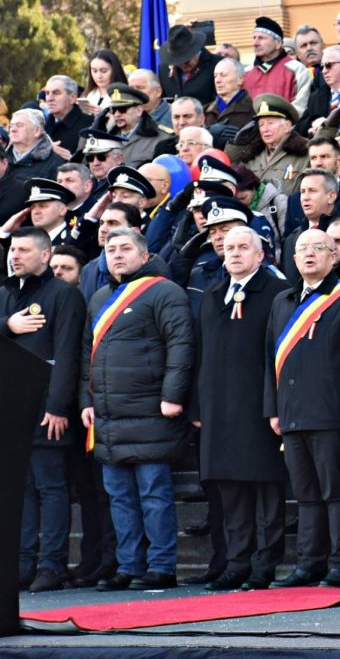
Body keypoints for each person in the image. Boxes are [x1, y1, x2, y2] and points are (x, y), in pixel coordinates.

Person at [80, 227, 194, 591]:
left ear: (144, 256)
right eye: (110, 249)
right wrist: (86, 401)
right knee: (120, 498)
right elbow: (87, 355)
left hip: (151, 411)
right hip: (108, 417)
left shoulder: (164, 291)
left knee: (154, 495)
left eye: (125, 248)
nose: (116, 254)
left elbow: (180, 345)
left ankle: (161, 565)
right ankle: (129, 566)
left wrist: (173, 395)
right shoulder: (99, 298)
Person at [194, 225, 290, 591]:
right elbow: (200, 353)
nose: (234, 253)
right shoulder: (212, 294)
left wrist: (276, 404)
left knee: (266, 490)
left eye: (243, 247)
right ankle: (237, 562)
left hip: (260, 406)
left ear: (260, 255)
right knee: (230, 491)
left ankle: (265, 564)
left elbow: (280, 354)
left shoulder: (278, 292)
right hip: (219, 409)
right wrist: (197, 406)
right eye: (229, 247)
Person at [266, 228, 340, 589]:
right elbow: (269, 359)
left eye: (318, 248)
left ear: (333, 256)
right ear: (293, 259)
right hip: (291, 412)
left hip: (331, 412)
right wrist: (273, 408)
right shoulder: (283, 300)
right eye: (302, 249)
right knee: (305, 495)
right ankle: (309, 563)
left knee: (336, 491)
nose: (309, 254)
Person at [5, 228, 85, 593]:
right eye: (13, 249)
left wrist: (57, 405)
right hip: (12, 408)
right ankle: (23, 564)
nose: (15, 255)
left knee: (50, 487)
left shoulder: (63, 294)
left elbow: (67, 354)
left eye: (23, 250)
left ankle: (52, 564)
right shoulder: (6, 293)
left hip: (45, 408)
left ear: (45, 255)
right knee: (20, 489)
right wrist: (7, 325)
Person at [228, 94, 309, 196]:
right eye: (261, 124)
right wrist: (237, 145)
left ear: (287, 126)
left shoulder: (305, 152)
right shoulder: (252, 154)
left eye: (270, 123)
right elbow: (230, 174)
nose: (265, 129)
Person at [243, 16, 313, 114]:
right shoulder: (245, 73)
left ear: (278, 43)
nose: (255, 43)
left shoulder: (297, 69)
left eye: (261, 38)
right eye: (254, 38)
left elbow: (300, 107)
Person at [158, 24, 221, 106]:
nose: (182, 65)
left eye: (186, 61)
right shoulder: (164, 69)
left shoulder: (217, 65)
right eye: (177, 62)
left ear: (195, 50)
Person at [205, 58, 254, 147]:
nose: (217, 80)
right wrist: (208, 131)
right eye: (215, 76)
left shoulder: (253, 109)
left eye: (223, 75)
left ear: (240, 79)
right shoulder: (205, 110)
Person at [7, 108, 63, 183]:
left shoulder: (54, 164)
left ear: (37, 130)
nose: (13, 129)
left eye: (19, 125)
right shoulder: (3, 159)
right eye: (11, 126)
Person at [43, 75, 90, 155]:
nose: (49, 98)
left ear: (72, 97)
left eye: (56, 93)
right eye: (47, 93)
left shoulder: (89, 125)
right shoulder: (42, 125)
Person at [81, 49, 127, 114]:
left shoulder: (125, 96)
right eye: (94, 71)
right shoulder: (88, 95)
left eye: (103, 71)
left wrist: (105, 114)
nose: (99, 76)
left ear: (114, 70)